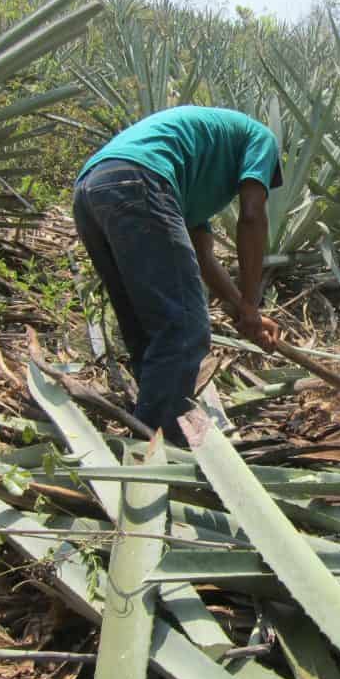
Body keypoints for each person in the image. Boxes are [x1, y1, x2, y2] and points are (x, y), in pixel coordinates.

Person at [72, 106, 282, 443]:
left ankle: (148, 429)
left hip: (91, 187)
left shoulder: (195, 178)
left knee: (148, 330)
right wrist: (253, 303)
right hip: (139, 179)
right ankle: (155, 447)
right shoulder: (262, 139)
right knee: (184, 329)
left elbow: (203, 255)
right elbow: (253, 216)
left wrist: (242, 309)